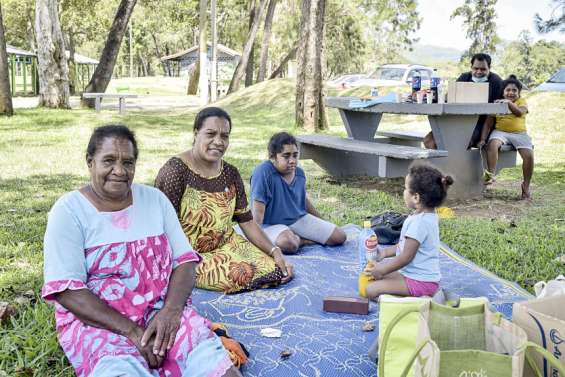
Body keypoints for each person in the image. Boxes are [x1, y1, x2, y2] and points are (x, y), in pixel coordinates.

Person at [42, 125, 241, 377]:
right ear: (90, 162)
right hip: (100, 324)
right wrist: (133, 333)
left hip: (161, 313)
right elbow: (68, 291)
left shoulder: (155, 200)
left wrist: (170, 312)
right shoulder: (69, 211)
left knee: (220, 369)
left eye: (128, 162)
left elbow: (185, 262)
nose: (119, 170)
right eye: (109, 161)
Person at [155, 107, 293, 293]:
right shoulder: (175, 172)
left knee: (278, 270)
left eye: (225, 136)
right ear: (196, 133)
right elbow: (159, 227)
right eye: (210, 134)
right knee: (241, 275)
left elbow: (247, 222)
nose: (218, 142)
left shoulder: (230, 173)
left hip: (228, 243)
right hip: (191, 255)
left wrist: (275, 251)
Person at [359, 163, 453, 300]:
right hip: (414, 277)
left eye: (405, 188)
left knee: (371, 290)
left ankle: (416, 300)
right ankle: (417, 295)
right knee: (371, 276)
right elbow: (405, 246)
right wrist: (384, 253)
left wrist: (382, 270)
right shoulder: (427, 216)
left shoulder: (419, 223)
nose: (403, 192)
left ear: (416, 197)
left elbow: (405, 257)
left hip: (420, 282)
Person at [250, 132, 346, 254]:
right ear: (273, 157)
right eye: (286, 156)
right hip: (269, 225)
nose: (292, 161)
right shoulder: (263, 173)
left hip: (297, 220)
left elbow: (303, 201)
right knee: (288, 244)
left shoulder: (299, 174)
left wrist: (322, 221)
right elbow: (257, 214)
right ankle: (299, 240)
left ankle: (299, 239)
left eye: (295, 155)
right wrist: (255, 238)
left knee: (340, 236)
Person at [423, 53, 504, 149]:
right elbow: (449, 97)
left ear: (489, 68)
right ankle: (438, 164)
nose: (478, 72)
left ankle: (453, 163)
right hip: (457, 120)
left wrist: (483, 138)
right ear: (471, 67)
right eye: (475, 68)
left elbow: (492, 114)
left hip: (479, 124)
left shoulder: (496, 82)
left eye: (483, 69)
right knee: (429, 141)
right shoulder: (464, 77)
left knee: (459, 142)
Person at [478, 75, 533, 200]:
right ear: (503, 92)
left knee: (529, 156)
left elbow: (519, 112)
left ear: (519, 93)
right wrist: (482, 139)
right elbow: (488, 123)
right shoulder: (497, 103)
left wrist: (508, 103)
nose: (511, 93)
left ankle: (526, 186)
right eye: (508, 90)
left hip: (519, 133)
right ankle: (491, 175)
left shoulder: (521, 102)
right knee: (492, 144)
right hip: (500, 132)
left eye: (514, 91)